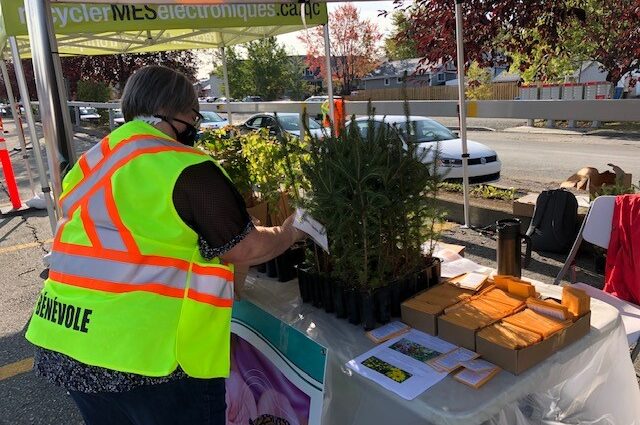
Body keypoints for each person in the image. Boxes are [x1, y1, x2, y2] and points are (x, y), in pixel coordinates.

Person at [25, 65, 305, 425]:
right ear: (170, 111)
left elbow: (135, 237)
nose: (195, 122)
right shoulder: (184, 166)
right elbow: (246, 248)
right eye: (192, 113)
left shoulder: (95, 160)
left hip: (69, 341)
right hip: (147, 360)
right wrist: (291, 231)